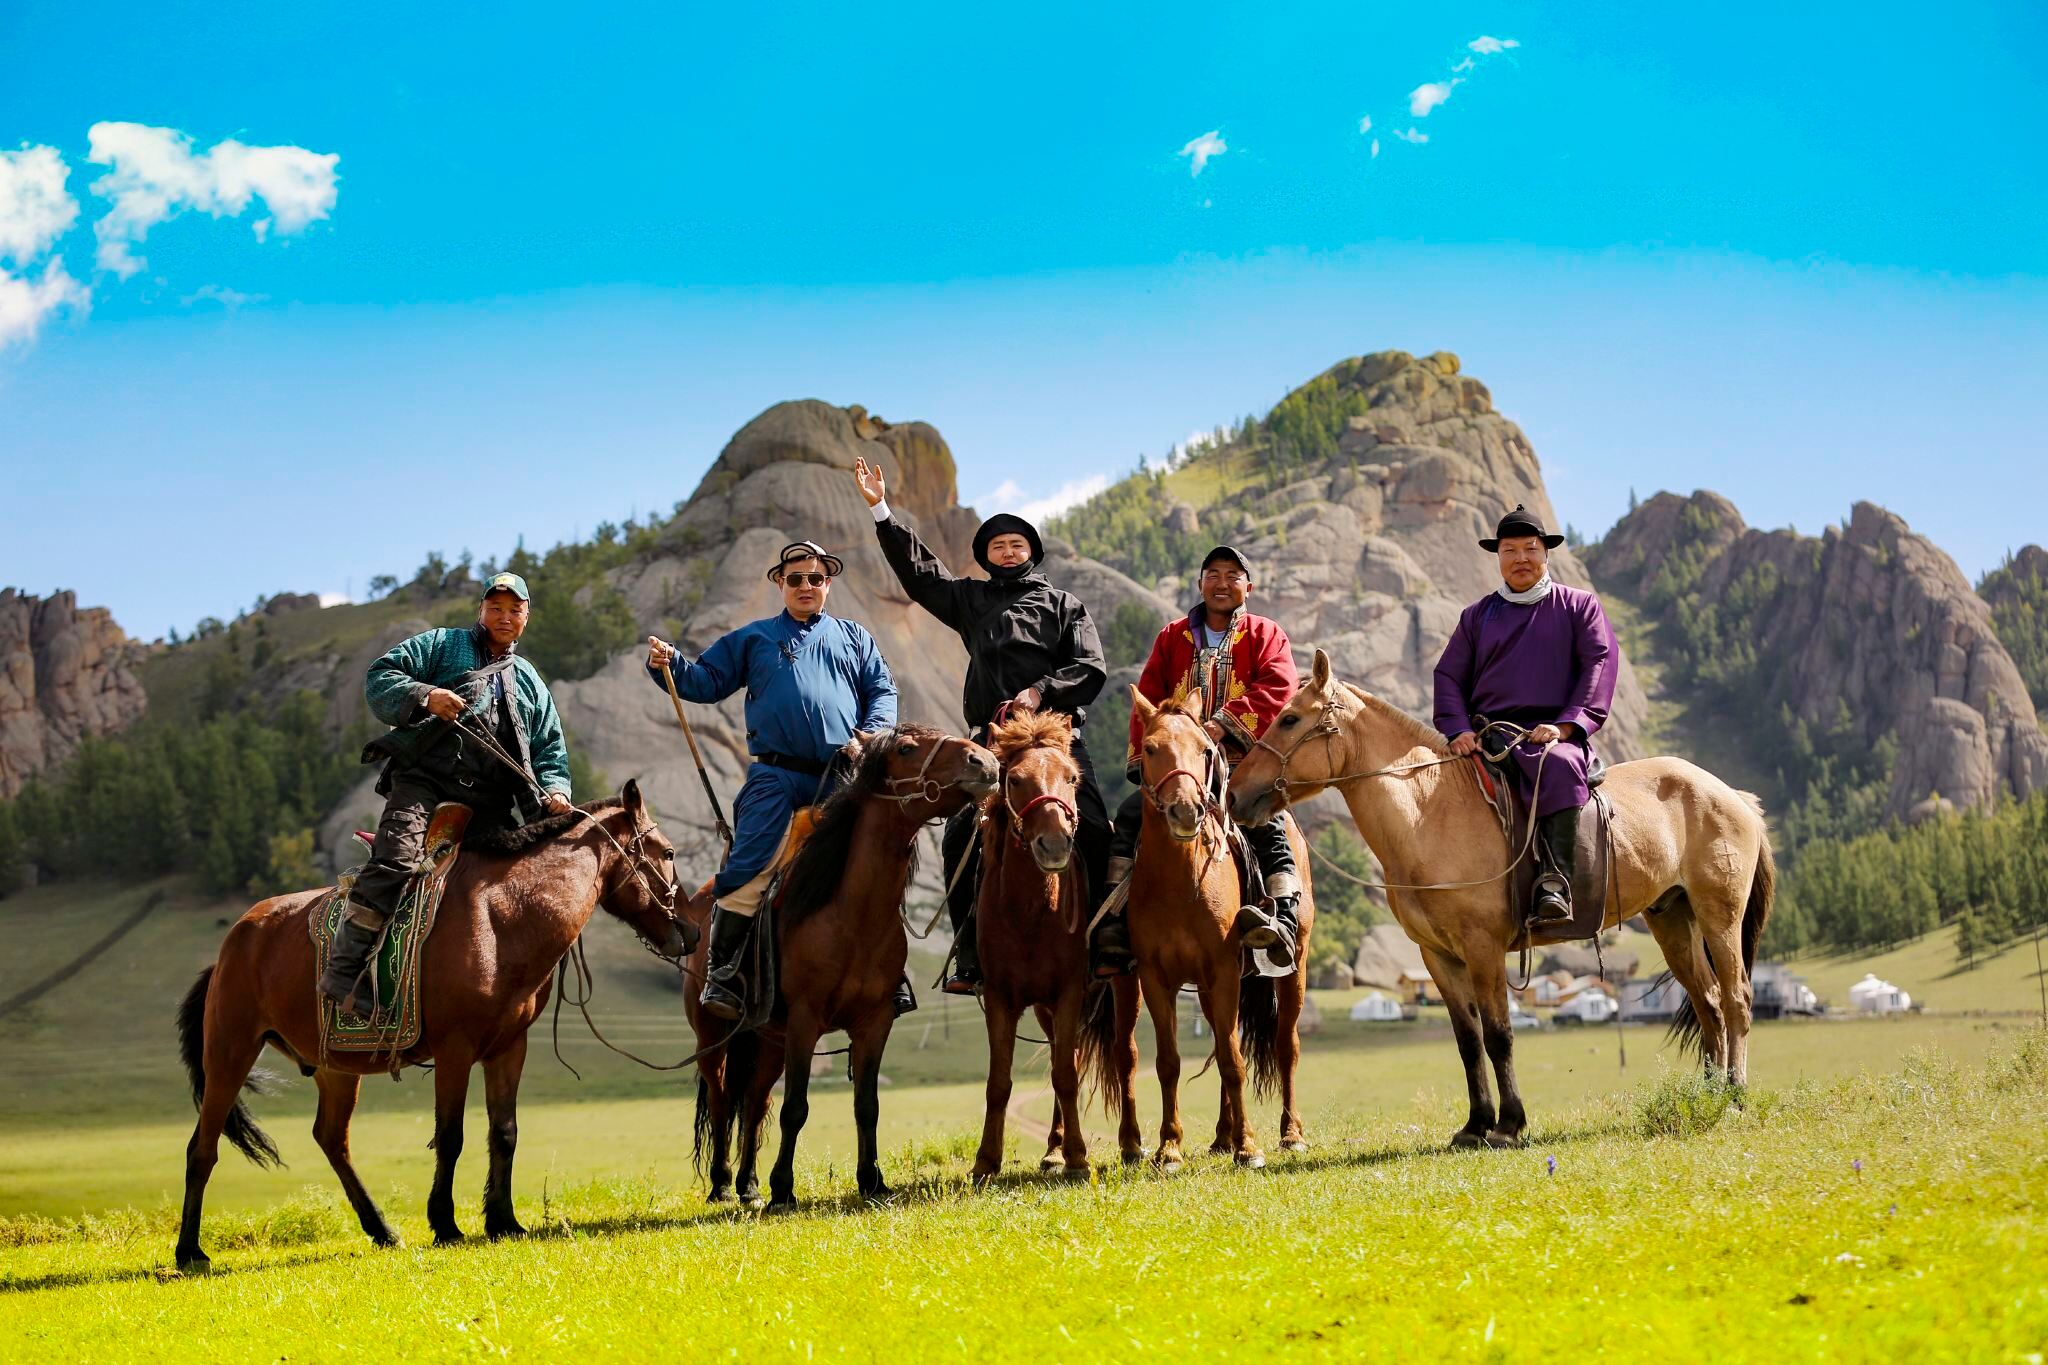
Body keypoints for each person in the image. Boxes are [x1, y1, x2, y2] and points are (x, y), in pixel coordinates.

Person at [851, 456, 1121, 989]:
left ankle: (1108, 936)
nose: (1007, 550)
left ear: (1031, 552)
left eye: (1016, 544)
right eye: (997, 546)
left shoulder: (1064, 605)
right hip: (992, 744)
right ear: (986, 556)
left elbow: (1091, 667)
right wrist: (881, 510)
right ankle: (970, 952)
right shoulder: (971, 601)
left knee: (1092, 825)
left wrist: (1039, 692)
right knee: (959, 836)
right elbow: (921, 575)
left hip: (1054, 739)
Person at [646, 540, 900, 1020]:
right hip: (775, 774)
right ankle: (721, 974)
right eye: (795, 578)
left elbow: (881, 689)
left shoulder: (855, 638)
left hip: (843, 775)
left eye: (816, 578)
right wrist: (672, 665)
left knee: (876, 860)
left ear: (828, 584)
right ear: (779, 584)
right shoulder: (754, 637)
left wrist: (877, 732)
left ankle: (892, 974)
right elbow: (705, 681)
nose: (806, 585)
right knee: (751, 861)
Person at [321, 572, 575, 1017]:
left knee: (514, 882)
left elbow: (549, 747)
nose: (504, 617)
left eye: (514, 610)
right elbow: (381, 675)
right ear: (480, 610)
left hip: (492, 804)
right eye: (495, 608)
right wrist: (426, 695)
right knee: (396, 859)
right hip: (426, 781)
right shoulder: (442, 644)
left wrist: (555, 789)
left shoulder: (531, 680)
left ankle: (490, 988)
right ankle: (344, 972)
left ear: (526, 617)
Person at [1110, 546, 1306, 965]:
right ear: (1200, 584)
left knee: (1267, 825)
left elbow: (1279, 687)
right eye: (1213, 573)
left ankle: (1284, 920)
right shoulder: (1172, 636)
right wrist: (1152, 759)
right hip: (1179, 766)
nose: (1222, 582)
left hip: (1242, 762)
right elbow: (1148, 695)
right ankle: (1114, 921)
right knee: (1128, 818)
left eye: (1233, 575)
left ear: (1248, 588)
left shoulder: (1265, 634)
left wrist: (1219, 725)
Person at [1432, 504, 1617, 924]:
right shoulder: (1476, 617)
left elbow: (1598, 664)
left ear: (1546, 555)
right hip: (1488, 736)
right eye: (1509, 550)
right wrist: (1458, 728)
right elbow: (1448, 676)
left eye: (1530, 549)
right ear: (1497, 558)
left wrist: (1567, 726)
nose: (1520, 559)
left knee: (1559, 765)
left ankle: (1555, 882)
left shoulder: (1580, 606)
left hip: (1550, 735)